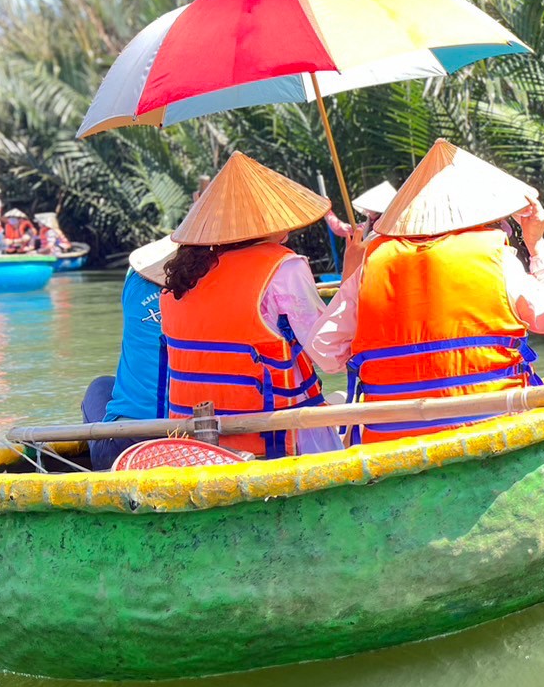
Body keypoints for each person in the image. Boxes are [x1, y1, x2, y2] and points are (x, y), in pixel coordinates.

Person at [307, 138, 544, 443]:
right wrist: (536, 245)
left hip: (394, 438)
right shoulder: (496, 257)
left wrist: (377, 354)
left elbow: (323, 350)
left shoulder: (373, 264)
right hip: (492, 428)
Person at [161, 152, 333, 460]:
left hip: (194, 445)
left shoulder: (185, 274)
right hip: (274, 439)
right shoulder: (284, 267)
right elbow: (328, 353)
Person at [79, 236, 176, 469]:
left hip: (125, 447)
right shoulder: (209, 296)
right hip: (190, 439)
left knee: (100, 386)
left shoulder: (134, 281)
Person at [324, 180, 395, 241]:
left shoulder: (393, 225)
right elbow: (340, 229)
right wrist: (327, 212)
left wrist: (327, 211)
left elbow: (340, 229)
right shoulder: (367, 225)